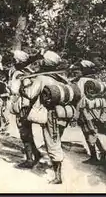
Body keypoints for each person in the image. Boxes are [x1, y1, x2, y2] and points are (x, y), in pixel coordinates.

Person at [20, 50, 71, 184]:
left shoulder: (42, 78)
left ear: (46, 62)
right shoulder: (61, 77)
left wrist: (23, 86)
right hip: (61, 113)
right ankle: (57, 174)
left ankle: (58, 177)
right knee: (55, 140)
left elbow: (31, 94)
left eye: (42, 59)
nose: (40, 61)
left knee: (52, 143)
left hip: (49, 114)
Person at [8, 50, 44, 169]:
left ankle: (29, 159)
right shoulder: (28, 72)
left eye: (14, 59)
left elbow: (15, 89)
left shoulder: (19, 74)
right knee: (27, 131)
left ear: (17, 61)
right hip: (26, 104)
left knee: (24, 132)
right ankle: (36, 154)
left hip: (23, 105)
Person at [74, 60, 106, 164]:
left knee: (89, 133)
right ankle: (103, 152)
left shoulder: (82, 80)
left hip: (86, 111)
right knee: (94, 132)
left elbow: (79, 96)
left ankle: (95, 156)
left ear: (84, 69)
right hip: (97, 110)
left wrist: (76, 115)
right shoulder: (97, 80)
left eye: (81, 68)